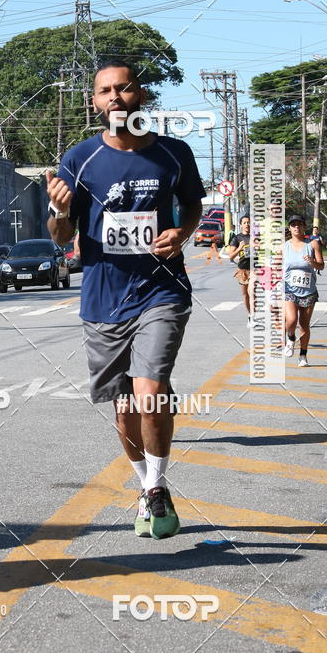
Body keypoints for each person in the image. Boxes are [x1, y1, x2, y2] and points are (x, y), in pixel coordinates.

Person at [46, 60, 204, 540]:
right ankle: (144, 485)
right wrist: (58, 211)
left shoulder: (174, 153)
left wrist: (182, 232)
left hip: (162, 291)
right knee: (124, 408)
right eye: (104, 90)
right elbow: (61, 237)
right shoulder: (80, 158)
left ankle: (157, 485)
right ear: (95, 101)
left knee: (150, 391)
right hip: (103, 299)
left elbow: (193, 204)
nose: (114, 96)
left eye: (123, 87)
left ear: (141, 94)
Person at [284, 215, 324, 366]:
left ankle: (303, 355)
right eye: (293, 225)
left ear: (304, 227)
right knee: (291, 320)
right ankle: (290, 337)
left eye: (299, 224)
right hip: (289, 290)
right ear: (289, 228)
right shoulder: (284, 247)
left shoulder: (313, 244)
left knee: (304, 325)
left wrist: (312, 262)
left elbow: (321, 265)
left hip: (308, 291)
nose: (296, 227)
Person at [229, 215, 254, 326]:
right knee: (245, 295)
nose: (247, 224)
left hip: (255, 269)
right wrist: (239, 248)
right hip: (243, 269)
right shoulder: (237, 238)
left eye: (249, 222)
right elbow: (231, 256)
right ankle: (250, 315)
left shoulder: (256, 237)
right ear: (241, 225)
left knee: (252, 292)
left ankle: (254, 315)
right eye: (245, 223)